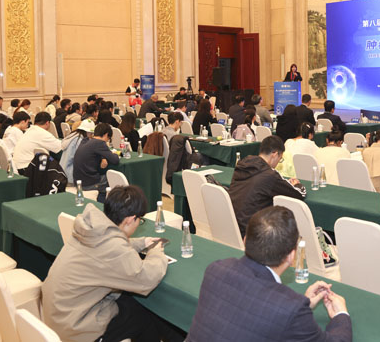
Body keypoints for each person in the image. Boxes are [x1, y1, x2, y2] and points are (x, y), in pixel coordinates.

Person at [188, 206, 351, 342]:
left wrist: (304, 304)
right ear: (291, 256)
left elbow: (250, 312)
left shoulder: (215, 270)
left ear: (245, 241)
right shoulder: (291, 308)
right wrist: (340, 315)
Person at [42, 185, 183, 342]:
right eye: (140, 220)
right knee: (147, 314)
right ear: (130, 219)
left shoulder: (90, 230)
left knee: (131, 302)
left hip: (58, 317)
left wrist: (142, 243)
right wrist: (155, 253)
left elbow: (109, 247)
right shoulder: (112, 248)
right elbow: (146, 279)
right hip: (79, 330)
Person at [229, 135, 306, 236]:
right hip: (254, 232)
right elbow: (299, 194)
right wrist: (297, 184)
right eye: (280, 159)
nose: (278, 163)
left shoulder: (242, 165)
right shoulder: (269, 175)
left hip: (233, 226)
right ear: (275, 154)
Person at [72, 123, 119, 197]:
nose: (107, 141)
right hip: (89, 183)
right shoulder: (100, 143)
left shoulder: (85, 140)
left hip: (78, 181)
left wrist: (103, 157)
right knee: (114, 179)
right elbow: (115, 160)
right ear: (106, 134)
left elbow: (95, 152)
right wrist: (115, 154)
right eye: (109, 138)